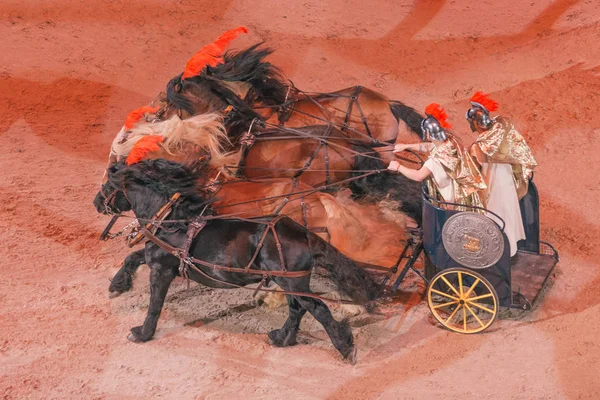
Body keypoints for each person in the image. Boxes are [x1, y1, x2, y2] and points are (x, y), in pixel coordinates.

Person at [466, 91, 537, 256]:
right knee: (508, 215)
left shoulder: (478, 147)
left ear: (475, 124)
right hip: (508, 185)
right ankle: (510, 250)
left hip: (493, 188)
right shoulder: (501, 132)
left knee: (495, 218)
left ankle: (499, 254)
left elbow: (473, 172)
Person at [388, 103, 486, 209]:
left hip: (451, 202)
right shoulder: (450, 142)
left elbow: (418, 176)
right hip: (463, 195)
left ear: (429, 134)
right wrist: (406, 146)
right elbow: (429, 147)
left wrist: (398, 167)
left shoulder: (434, 161)